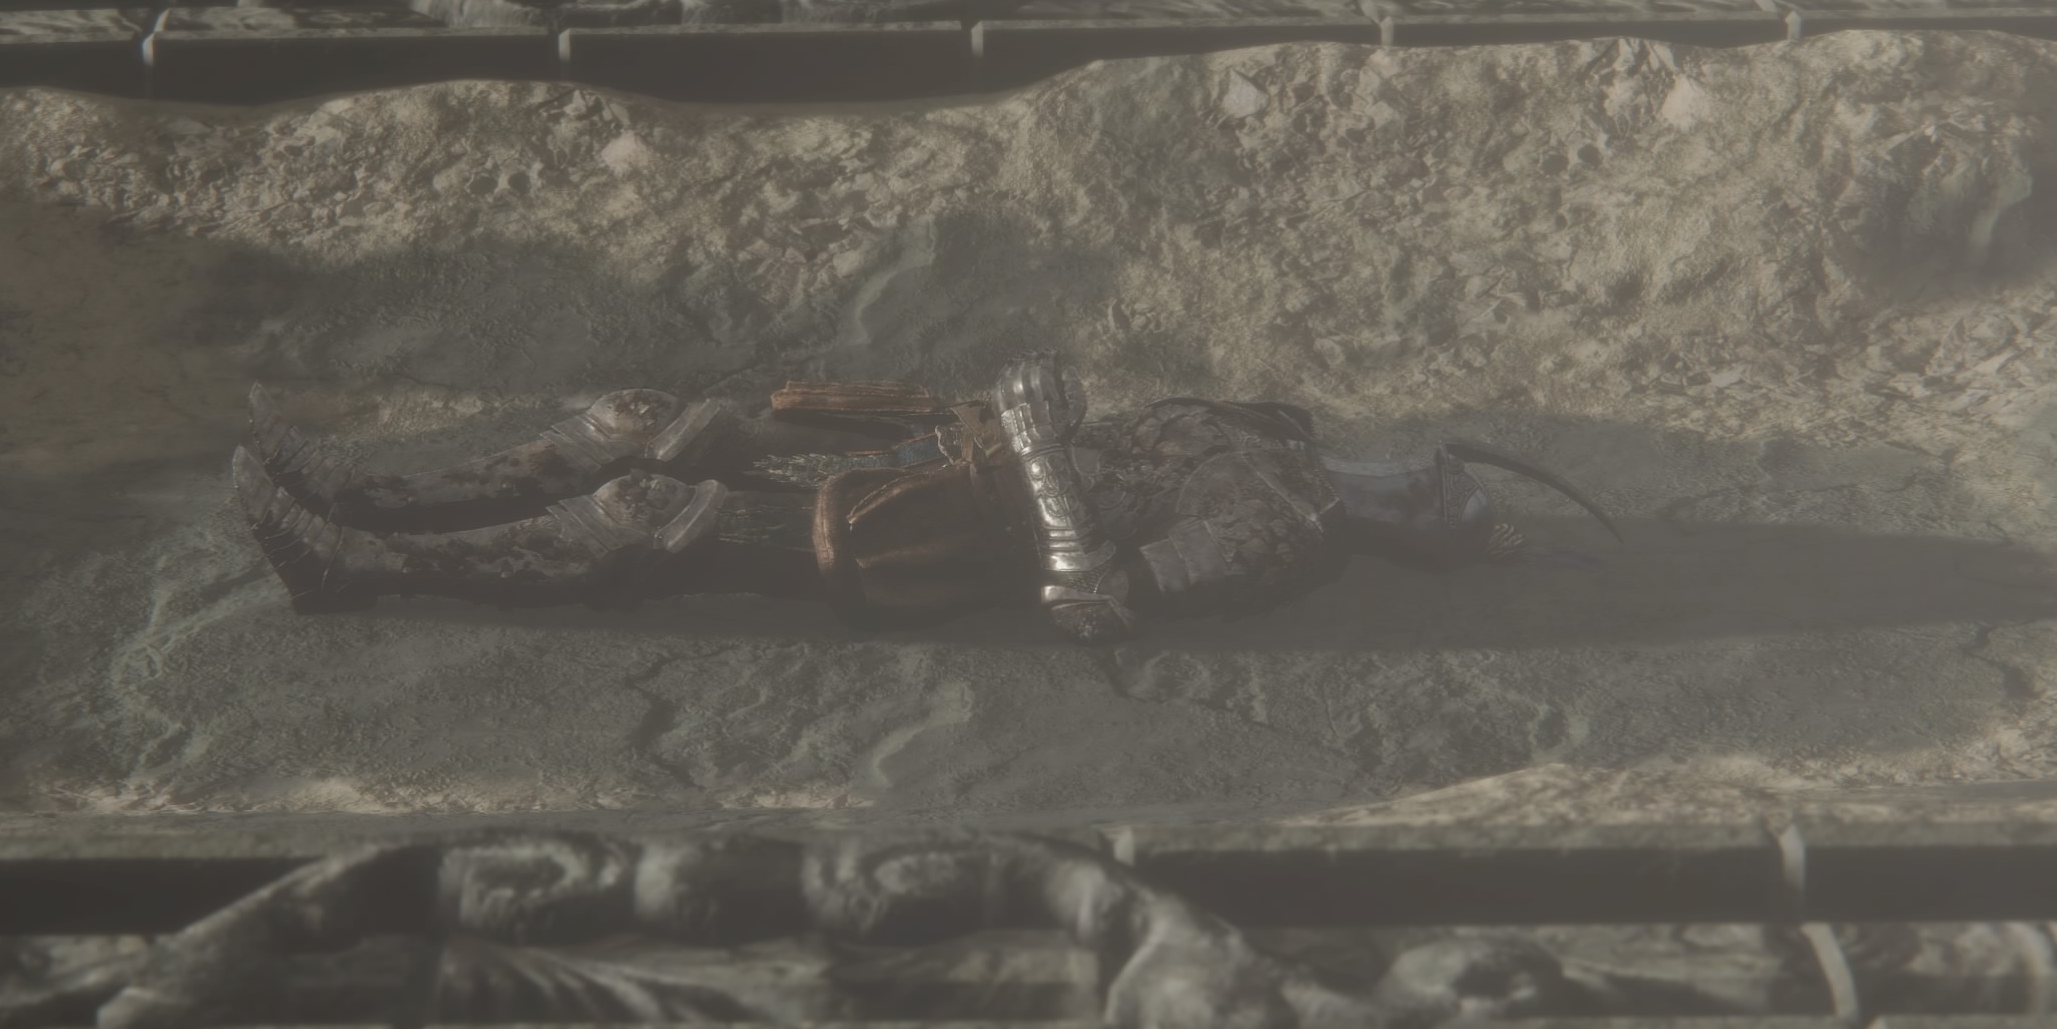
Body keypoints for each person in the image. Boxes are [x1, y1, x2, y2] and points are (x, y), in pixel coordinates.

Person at [231, 351, 1613, 642]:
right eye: (1449, 473)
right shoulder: (1256, 432)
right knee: (646, 424)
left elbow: (1093, 600)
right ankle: (378, 496)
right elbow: (1084, 419)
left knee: (657, 510)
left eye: (1451, 504)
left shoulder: (1280, 534)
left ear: (1418, 535)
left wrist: (1046, 459)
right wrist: (1021, 409)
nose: (1434, 477)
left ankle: (360, 567)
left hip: (944, 538)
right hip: (944, 451)